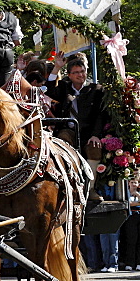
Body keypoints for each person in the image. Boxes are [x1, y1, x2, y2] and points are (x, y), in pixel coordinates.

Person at [47, 55, 108, 198]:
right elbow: (49, 90)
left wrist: (96, 135)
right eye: (76, 72)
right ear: (69, 75)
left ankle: (90, 189)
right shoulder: (64, 87)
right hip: (69, 130)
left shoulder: (96, 90)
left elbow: (101, 115)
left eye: (83, 71)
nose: (80, 75)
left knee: (94, 148)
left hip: (88, 133)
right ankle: (67, 184)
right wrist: (56, 68)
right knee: (63, 141)